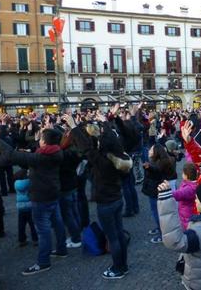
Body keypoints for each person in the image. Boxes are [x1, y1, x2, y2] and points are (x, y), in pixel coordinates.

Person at [0, 126, 67, 276]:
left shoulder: (42, 157)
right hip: (52, 193)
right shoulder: (55, 152)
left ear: (45, 142)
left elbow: (13, 155)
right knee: (57, 222)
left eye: (41, 138)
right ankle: (61, 249)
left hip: (41, 197)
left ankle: (43, 262)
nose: (39, 140)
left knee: (43, 230)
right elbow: (28, 158)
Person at [66, 113, 132, 279]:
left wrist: (74, 126)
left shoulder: (101, 160)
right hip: (117, 198)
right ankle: (123, 265)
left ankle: (118, 268)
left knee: (113, 237)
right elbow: (111, 140)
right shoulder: (119, 157)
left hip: (106, 203)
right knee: (118, 234)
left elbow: (86, 147)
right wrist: (106, 123)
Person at [142, 143, 176, 244]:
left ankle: (162, 233)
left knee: (157, 212)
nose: (149, 151)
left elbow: (156, 171)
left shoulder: (156, 164)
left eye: (151, 150)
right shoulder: (166, 160)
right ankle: (160, 228)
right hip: (157, 189)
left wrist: (148, 168)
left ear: (155, 153)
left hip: (155, 190)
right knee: (158, 212)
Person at [14, 169, 38, 247]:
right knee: (32, 223)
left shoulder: (16, 184)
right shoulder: (29, 182)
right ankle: (35, 239)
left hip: (20, 206)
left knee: (21, 224)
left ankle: (22, 240)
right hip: (30, 205)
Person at [172, 163, 198, 229]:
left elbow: (179, 194)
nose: (182, 174)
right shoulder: (192, 183)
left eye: (183, 173)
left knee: (187, 228)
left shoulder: (189, 189)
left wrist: (167, 191)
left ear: (187, 176)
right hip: (189, 210)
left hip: (186, 213)